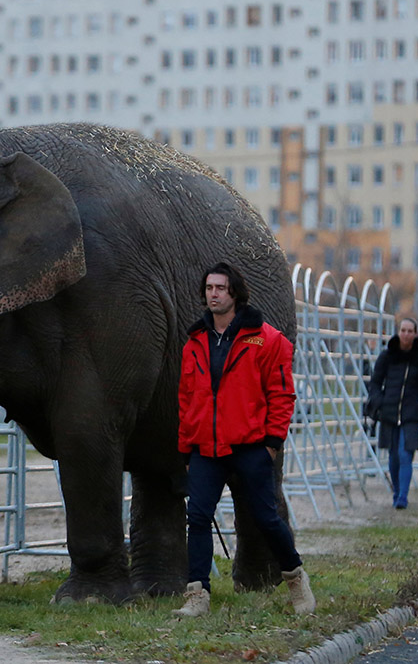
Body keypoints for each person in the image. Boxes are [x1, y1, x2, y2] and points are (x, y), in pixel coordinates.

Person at [173, 262, 315, 618]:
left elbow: (283, 395)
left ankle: (297, 580)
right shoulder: (195, 342)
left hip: (251, 446)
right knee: (198, 517)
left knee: (265, 518)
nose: (214, 294)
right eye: (209, 288)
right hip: (206, 447)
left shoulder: (267, 339)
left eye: (220, 288)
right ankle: (197, 594)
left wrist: (271, 444)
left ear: (234, 292)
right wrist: (187, 446)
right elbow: (187, 398)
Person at [364, 318, 418, 509]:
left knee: (406, 454)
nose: (406, 334)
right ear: (398, 332)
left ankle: (403, 496)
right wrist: (379, 401)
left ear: (415, 334)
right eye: (403, 330)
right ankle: (396, 491)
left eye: (410, 331)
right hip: (389, 413)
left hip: (412, 415)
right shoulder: (387, 356)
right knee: (394, 456)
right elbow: (375, 382)